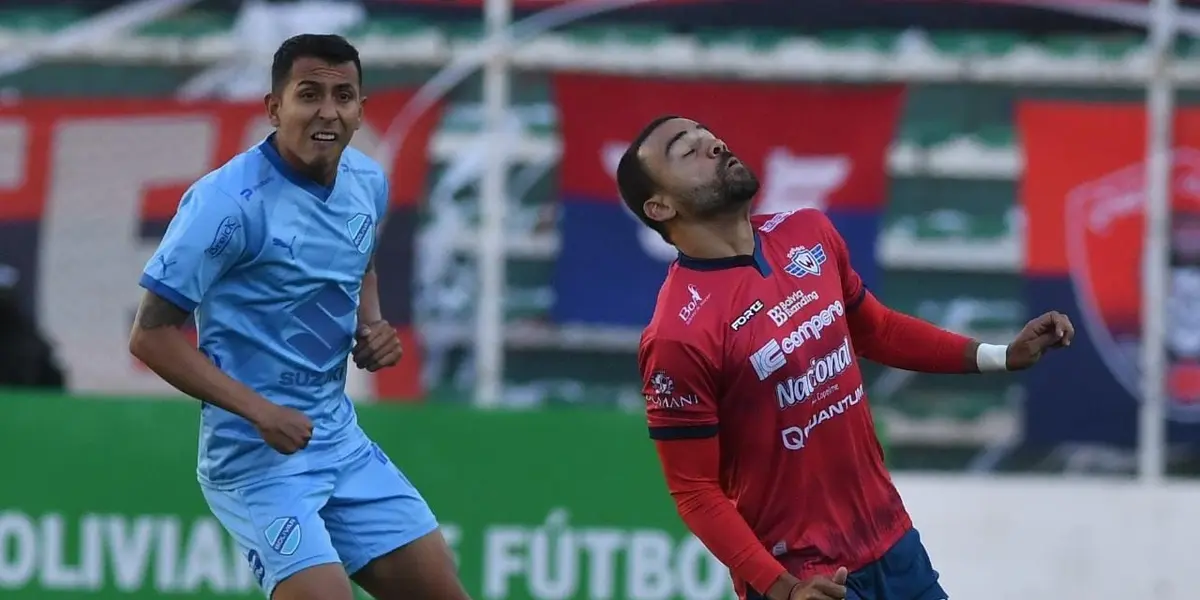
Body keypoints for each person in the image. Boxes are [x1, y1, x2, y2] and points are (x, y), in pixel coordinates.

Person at [617, 115, 1074, 600]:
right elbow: (695, 492)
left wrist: (1001, 355)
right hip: (808, 577)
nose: (714, 145)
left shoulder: (808, 232)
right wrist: (785, 588)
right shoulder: (677, 334)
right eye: (687, 151)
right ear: (660, 206)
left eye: (709, 136)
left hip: (893, 543)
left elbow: (877, 330)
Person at [129, 34, 470, 600]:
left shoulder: (367, 182)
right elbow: (150, 337)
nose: (327, 112)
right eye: (309, 94)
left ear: (360, 110)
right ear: (274, 107)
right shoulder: (225, 204)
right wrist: (260, 411)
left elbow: (360, 261)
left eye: (343, 96)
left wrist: (372, 324)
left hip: (338, 440)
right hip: (255, 459)